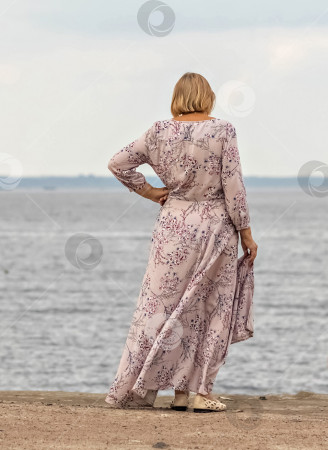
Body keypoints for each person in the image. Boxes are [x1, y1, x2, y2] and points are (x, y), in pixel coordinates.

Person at [104, 72, 257, 413]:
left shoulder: (159, 131)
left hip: (173, 226)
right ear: (208, 97)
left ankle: (150, 390)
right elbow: (233, 186)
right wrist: (246, 231)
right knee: (211, 309)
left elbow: (117, 163)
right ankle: (198, 392)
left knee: (158, 308)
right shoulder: (222, 130)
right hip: (215, 227)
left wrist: (151, 192)